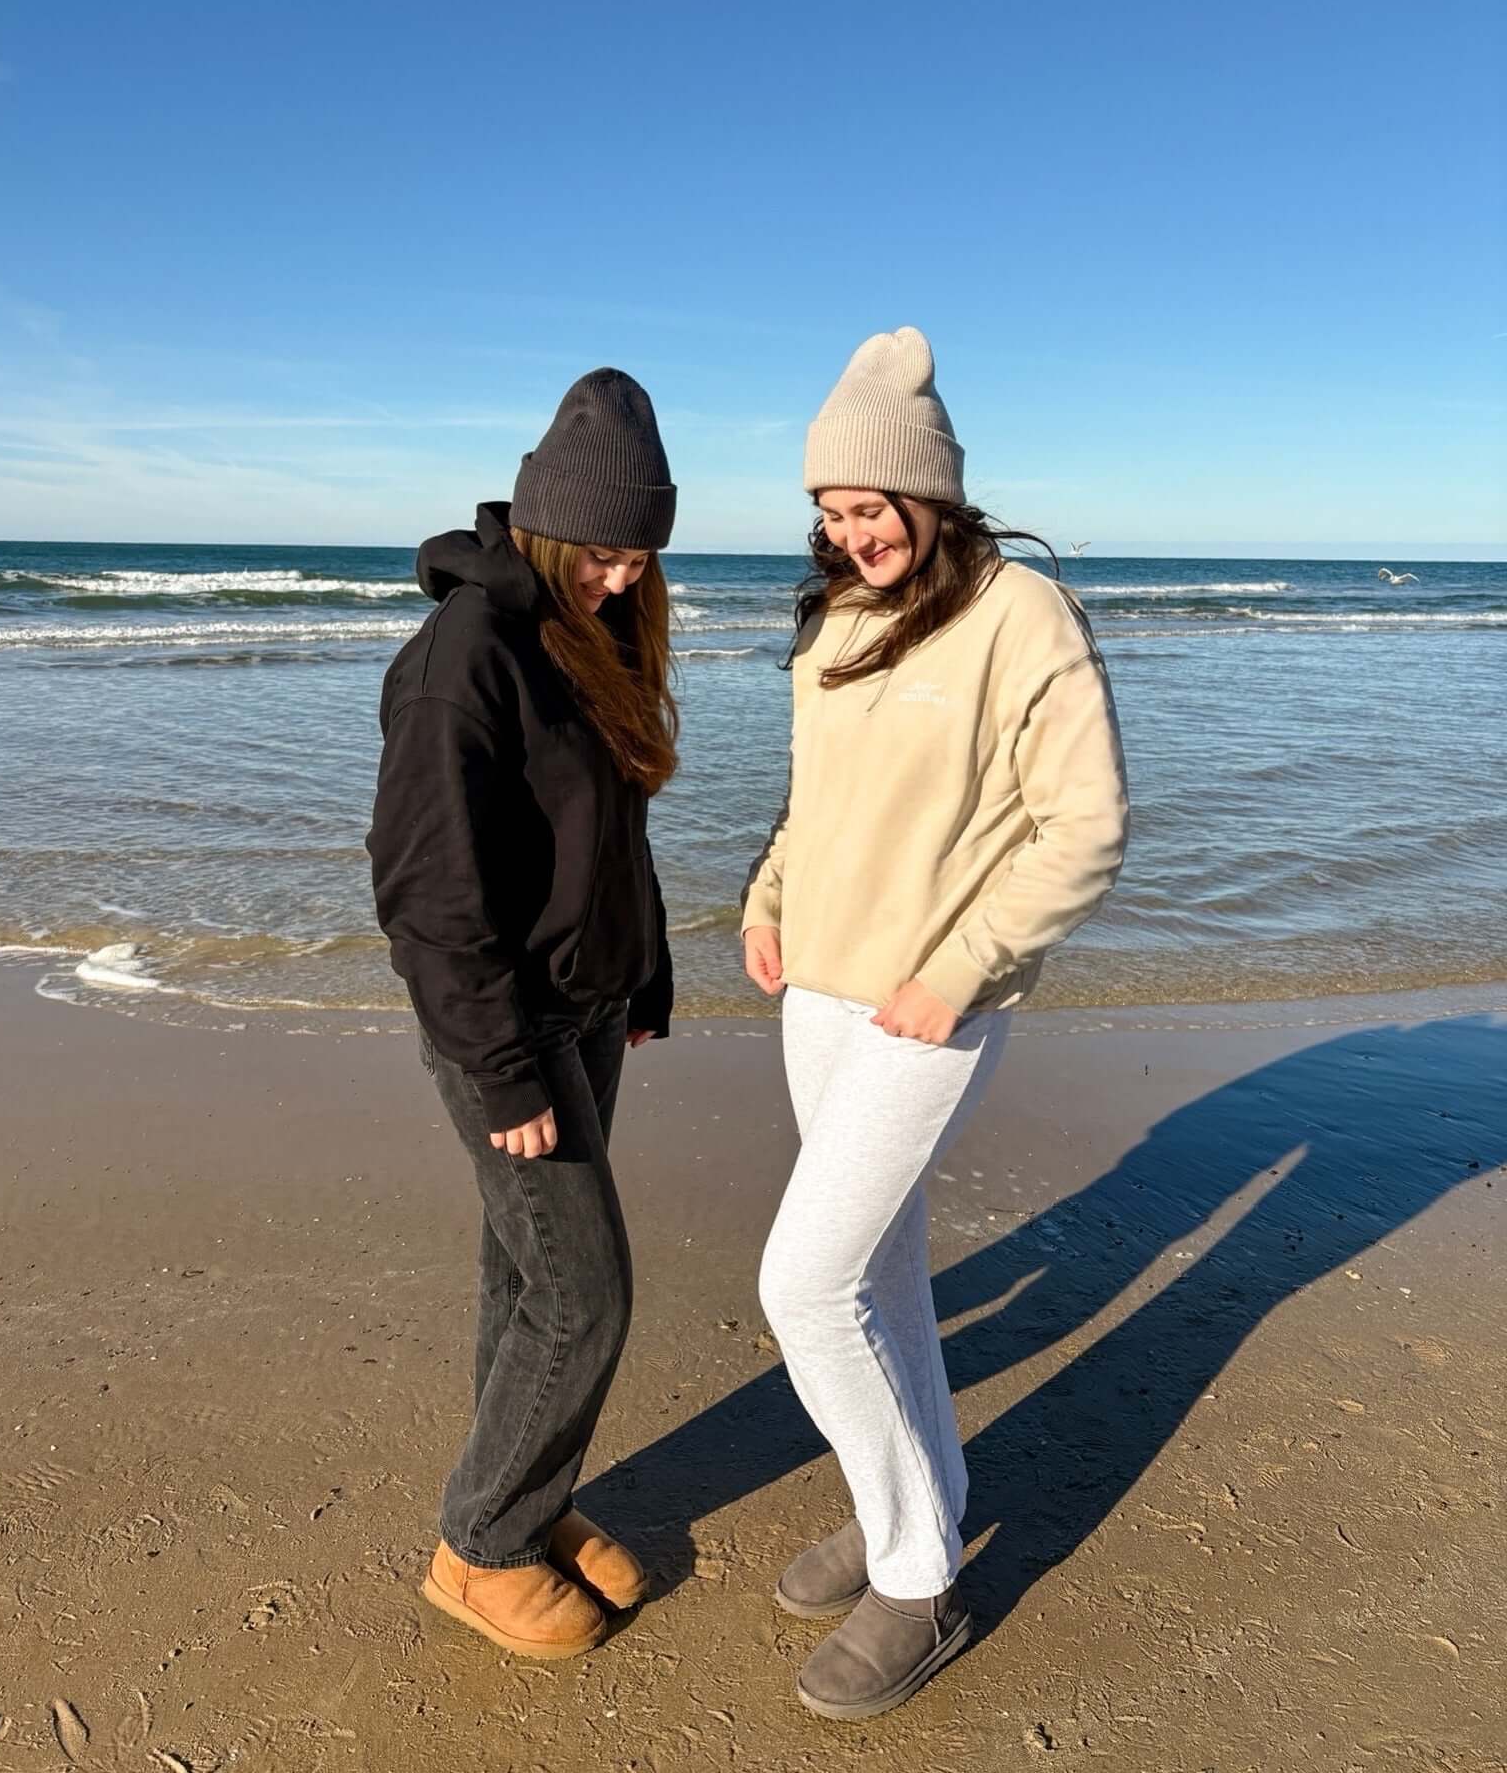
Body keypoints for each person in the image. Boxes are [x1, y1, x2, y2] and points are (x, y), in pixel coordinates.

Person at [741, 328, 1129, 1720]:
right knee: (879, 1274)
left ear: (931, 493)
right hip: (819, 992)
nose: (853, 536)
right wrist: (767, 896)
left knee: (804, 1285)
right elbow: (813, 797)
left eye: (871, 507)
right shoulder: (838, 618)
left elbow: (1085, 828)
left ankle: (919, 1578)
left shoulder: (1024, 617)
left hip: (927, 1008)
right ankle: (901, 1500)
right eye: (831, 513)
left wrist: (961, 970)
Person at [368, 369, 679, 1660]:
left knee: (525, 1275)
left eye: (640, 556)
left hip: (588, 1006)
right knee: (585, 1297)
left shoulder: (590, 633)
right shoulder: (465, 661)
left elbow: (611, 835)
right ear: (547, 526)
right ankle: (480, 1547)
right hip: (506, 1027)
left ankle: (526, 1502)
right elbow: (426, 894)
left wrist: (645, 971)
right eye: (601, 553)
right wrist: (502, 1073)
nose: (620, 578)